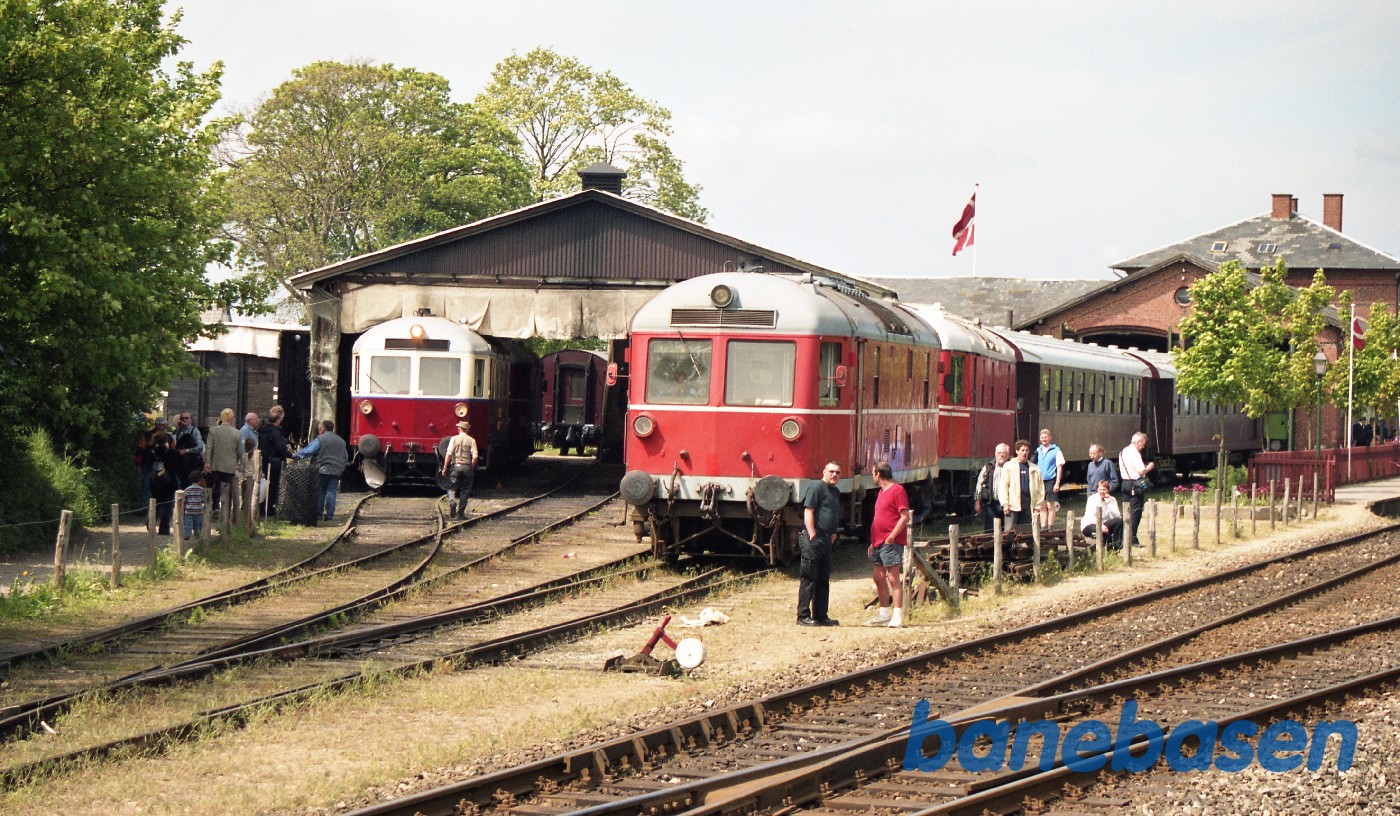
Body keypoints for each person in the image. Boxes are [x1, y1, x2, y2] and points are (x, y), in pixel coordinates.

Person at [797, 461, 842, 627]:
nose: (834, 475)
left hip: (826, 538)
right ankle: (803, 616)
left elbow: (831, 513)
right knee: (809, 577)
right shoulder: (816, 488)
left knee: (823, 578)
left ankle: (821, 615)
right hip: (813, 538)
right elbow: (808, 510)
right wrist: (812, 533)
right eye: (831, 471)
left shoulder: (836, 491)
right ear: (824, 472)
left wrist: (833, 533)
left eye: (837, 472)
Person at [867, 461, 911, 628]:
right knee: (878, 576)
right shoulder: (881, 492)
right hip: (878, 541)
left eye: (873, 473)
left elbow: (904, 516)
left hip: (890, 541)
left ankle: (897, 615)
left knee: (893, 577)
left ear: (879, 474)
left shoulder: (897, 490)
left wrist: (892, 536)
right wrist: (873, 542)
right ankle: (884, 613)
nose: (873, 476)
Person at [295, 419, 349, 523]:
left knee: (320, 492)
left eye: (320, 427)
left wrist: (297, 456)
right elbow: (345, 457)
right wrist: (341, 467)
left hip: (321, 470)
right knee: (332, 492)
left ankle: (319, 514)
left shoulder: (320, 439)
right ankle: (329, 516)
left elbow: (309, 451)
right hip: (336, 471)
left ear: (324, 428)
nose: (319, 429)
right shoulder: (341, 441)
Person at [1119, 431, 1156, 547]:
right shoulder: (1134, 453)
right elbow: (1141, 471)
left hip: (1125, 483)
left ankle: (1124, 536)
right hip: (1135, 485)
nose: (1143, 446)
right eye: (1143, 444)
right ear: (1138, 441)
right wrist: (1149, 467)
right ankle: (1132, 538)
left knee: (1126, 511)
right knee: (1136, 511)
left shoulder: (1123, 451)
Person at [998, 440, 1045, 528]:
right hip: (1013, 504)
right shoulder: (1009, 466)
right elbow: (1003, 487)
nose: (1024, 453)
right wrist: (1005, 503)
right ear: (1017, 451)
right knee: (1009, 531)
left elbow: (1041, 489)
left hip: (1029, 504)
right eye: (1022, 450)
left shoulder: (1035, 468)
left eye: (1026, 450)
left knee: (1026, 532)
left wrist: (1038, 506)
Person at [204, 408, 241, 515]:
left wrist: (207, 463)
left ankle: (214, 507)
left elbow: (209, 448)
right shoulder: (237, 433)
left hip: (215, 465)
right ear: (232, 418)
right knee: (227, 490)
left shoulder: (213, 430)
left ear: (221, 417)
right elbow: (239, 452)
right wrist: (235, 461)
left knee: (214, 488)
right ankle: (226, 511)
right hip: (229, 467)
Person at [440, 420, 478, 519]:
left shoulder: (453, 439)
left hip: (455, 466)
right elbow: (475, 457)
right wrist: (471, 467)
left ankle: (452, 502)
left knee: (452, 488)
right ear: (467, 429)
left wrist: (444, 468)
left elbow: (448, 454)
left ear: (459, 428)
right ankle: (460, 513)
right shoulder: (472, 440)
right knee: (465, 490)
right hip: (467, 467)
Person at [259, 405, 292, 515]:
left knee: (265, 486)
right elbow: (280, 447)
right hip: (275, 463)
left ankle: (263, 508)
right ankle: (270, 510)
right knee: (273, 487)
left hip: (265, 462)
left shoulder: (264, 431)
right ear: (280, 417)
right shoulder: (276, 432)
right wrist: (291, 455)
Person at [973, 443, 1010, 533]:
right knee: (990, 529)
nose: (1001, 455)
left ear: (1008, 455)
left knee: (1005, 529)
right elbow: (979, 484)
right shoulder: (988, 467)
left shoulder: (1011, 467)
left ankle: (1003, 546)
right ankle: (990, 546)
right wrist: (977, 502)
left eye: (1004, 453)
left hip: (1006, 504)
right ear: (995, 454)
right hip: (990, 502)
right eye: (999, 453)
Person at [1035, 428, 1065, 528]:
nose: (1044, 439)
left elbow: (1059, 467)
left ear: (1050, 438)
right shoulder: (1038, 450)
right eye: (1042, 437)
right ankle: (1043, 526)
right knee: (1042, 505)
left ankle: (1050, 526)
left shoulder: (1056, 451)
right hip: (1040, 481)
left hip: (1051, 480)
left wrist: (1057, 482)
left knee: (1050, 505)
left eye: (1046, 437)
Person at [1081, 479, 1124, 547]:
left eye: (1104, 489)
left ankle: (1116, 546)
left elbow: (1117, 515)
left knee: (1119, 521)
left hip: (1105, 523)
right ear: (1097, 490)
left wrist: (1109, 503)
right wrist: (1100, 526)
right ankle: (1101, 547)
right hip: (1090, 524)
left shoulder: (1112, 499)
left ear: (1107, 490)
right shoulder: (1092, 499)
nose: (1102, 492)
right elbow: (1090, 516)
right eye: (1100, 489)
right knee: (1101, 532)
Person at [183, 470, 206, 540]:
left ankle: (187, 535)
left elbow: (185, 500)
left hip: (189, 510)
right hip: (198, 510)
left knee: (188, 523)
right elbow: (203, 499)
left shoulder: (187, 490)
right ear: (200, 480)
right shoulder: (201, 490)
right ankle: (198, 535)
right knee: (198, 524)